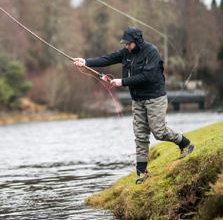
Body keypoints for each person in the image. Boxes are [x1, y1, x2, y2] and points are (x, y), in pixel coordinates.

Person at [73, 27, 194, 184]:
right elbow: (108, 59)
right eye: (125, 44)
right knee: (140, 135)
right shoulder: (126, 52)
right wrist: (86, 62)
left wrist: (122, 82)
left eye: (128, 44)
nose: (126, 47)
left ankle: (185, 144)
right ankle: (142, 173)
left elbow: (147, 76)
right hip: (137, 100)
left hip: (155, 97)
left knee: (159, 131)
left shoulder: (152, 52)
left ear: (137, 42)